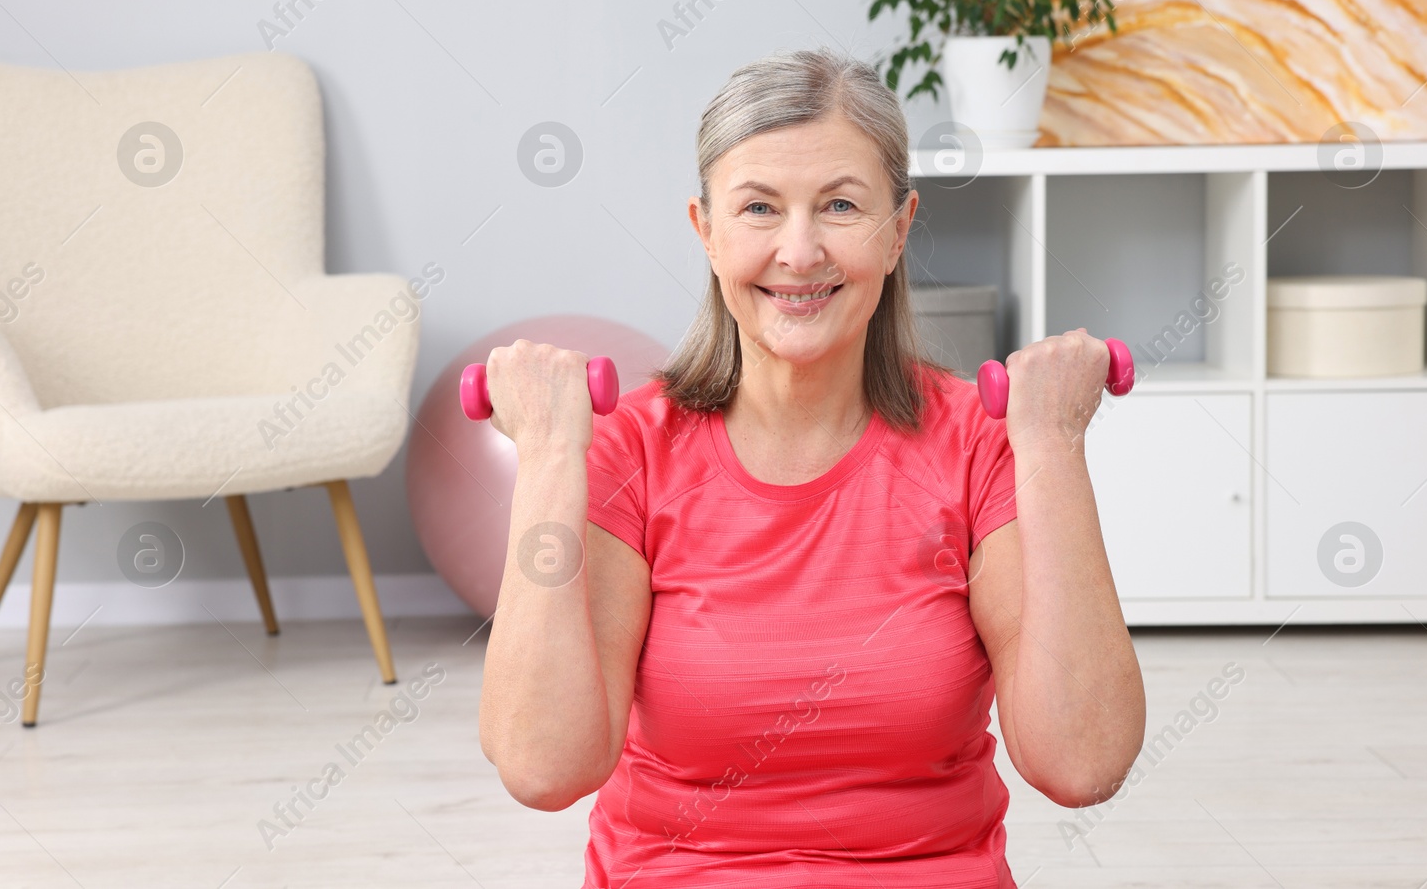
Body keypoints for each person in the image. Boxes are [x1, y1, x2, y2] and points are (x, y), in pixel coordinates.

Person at [479, 47, 1145, 887]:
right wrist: (544, 455)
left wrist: (1051, 446)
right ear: (706, 231)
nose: (799, 252)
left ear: (899, 229)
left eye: (839, 205)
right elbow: (543, 767)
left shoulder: (980, 441)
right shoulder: (634, 449)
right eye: (759, 208)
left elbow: (1083, 762)